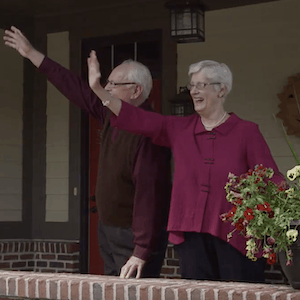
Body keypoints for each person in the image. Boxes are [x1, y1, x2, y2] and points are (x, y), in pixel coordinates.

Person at [85, 50, 284, 282]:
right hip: (190, 238)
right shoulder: (179, 129)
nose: (194, 91)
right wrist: (99, 90)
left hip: (236, 237)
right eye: (192, 85)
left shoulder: (246, 132)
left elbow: (271, 179)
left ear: (222, 90)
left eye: (202, 85)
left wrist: (264, 200)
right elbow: (136, 118)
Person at [3, 26, 171, 279]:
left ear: (136, 91)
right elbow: (75, 88)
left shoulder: (150, 131)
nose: (108, 88)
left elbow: (151, 194)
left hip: (133, 238)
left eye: (114, 84)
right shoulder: (111, 116)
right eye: (107, 82)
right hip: (109, 230)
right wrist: (32, 54)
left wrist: (141, 249)